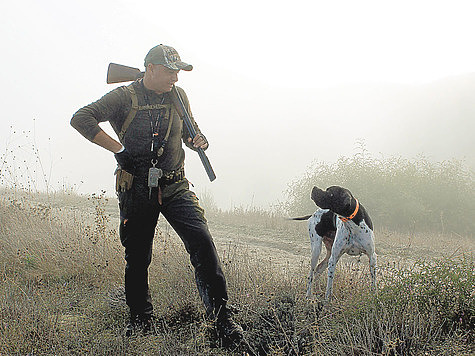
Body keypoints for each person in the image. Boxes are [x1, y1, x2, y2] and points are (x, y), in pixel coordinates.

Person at [70, 44, 243, 342]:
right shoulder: (123, 97)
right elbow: (81, 118)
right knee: (137, 257)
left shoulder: (178, 95)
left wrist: (197, 139)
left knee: (203, 245)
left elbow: (189, 131)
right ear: (150, 68)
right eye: (170, 71)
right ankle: (140, 320)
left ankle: (221, 319)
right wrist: (118, 149)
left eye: (178, 71)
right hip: (136, 188)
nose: (175, 78)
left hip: (176, 186)